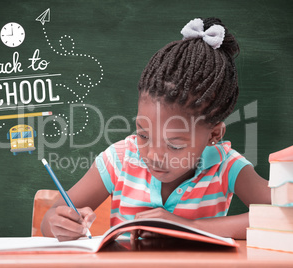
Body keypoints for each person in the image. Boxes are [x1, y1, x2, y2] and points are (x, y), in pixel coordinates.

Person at [41, 17, 271, 241]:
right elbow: (49, 219)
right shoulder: (119, 160)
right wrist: (57, 222)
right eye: (143, 135)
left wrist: (189, 227)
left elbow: (287, 216)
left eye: (174, 145)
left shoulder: (226, 166)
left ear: (214, 135)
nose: (153, 156)